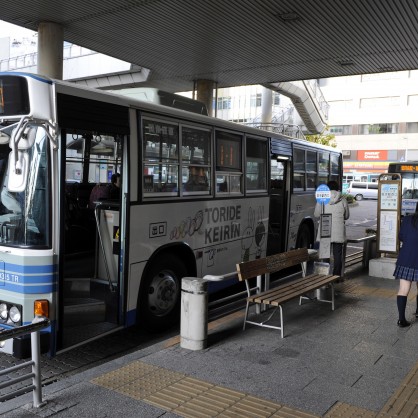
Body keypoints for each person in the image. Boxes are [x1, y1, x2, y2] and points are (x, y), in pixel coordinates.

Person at [314, 180, 350, 276]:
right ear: (337, 188)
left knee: (325, 255)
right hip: (338, 231)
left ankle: (324, 276)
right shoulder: (343, 200)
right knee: (337, 255)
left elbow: (317, 214)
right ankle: (336, 276)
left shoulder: (322, 199)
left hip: (325, 230)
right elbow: (346, 216)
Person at [394, 202, 418, 327]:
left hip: (406, 258)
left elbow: (401, 236)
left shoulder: (407, 219)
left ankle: (401, 320)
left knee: (403, 289)